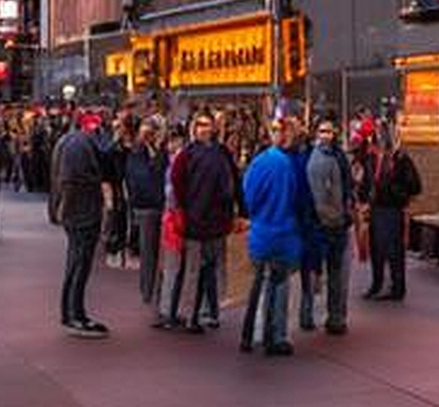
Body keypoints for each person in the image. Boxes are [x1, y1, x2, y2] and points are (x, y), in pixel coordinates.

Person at [238, 110, 313, 356]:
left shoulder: (260, 162)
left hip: (261, 232)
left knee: (258, 284)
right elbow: (300, 200)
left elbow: (248, 196)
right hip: (284, 233)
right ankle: (276, 335)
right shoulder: (291, 166)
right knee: (279, 285)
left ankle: (250, 334)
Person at [163, 109, 237, 333]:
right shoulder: (186, 155)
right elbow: (177, 184)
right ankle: (190, 315)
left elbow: (233, 180)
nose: (204, 129)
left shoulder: (221, 152)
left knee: (212, 269)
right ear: (193, 129)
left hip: (217, 221)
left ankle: (209, 312)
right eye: (200, 125)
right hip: (195, 221)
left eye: (207, 125)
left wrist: (237, 210)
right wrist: (186, 210)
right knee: (194, 270)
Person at [51, 110, 111, 335]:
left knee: (76, 262)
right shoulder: (80, 144)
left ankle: (72, 312)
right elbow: (73, 179)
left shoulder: (68, 141)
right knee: (79, 263)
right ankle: (74, 314)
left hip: (75, 211)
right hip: (81, 212)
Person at [301, 114, 355, 335]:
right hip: (319, 224)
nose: (326, 135)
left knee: (337, 274)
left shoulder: (340, 157)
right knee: (313, 272)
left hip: (338, 224)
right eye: (322, 131)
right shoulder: (311, 158)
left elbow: (345, 188)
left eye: (329, 131)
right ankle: (307, 314)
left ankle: (336, 317)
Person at [361, 119, 421, 301]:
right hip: (376, 209)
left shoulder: (400, 159)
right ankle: (377, 284)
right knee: (376, 249)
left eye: (380, 136)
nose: (377, 140)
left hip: (392, 210)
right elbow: (367, 182)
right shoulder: (372, 158)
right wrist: (363, 197)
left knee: (393, 251)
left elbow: (415, 186)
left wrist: (395, 192)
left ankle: (396, 287)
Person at [123, 117, 167, 308]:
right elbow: (147, 178)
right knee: (150, 252)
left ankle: (152, 290)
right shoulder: (140, 153)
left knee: (154, 252)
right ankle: (149, 291)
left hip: (151, 206)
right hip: (148, 208)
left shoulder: (148, 152)